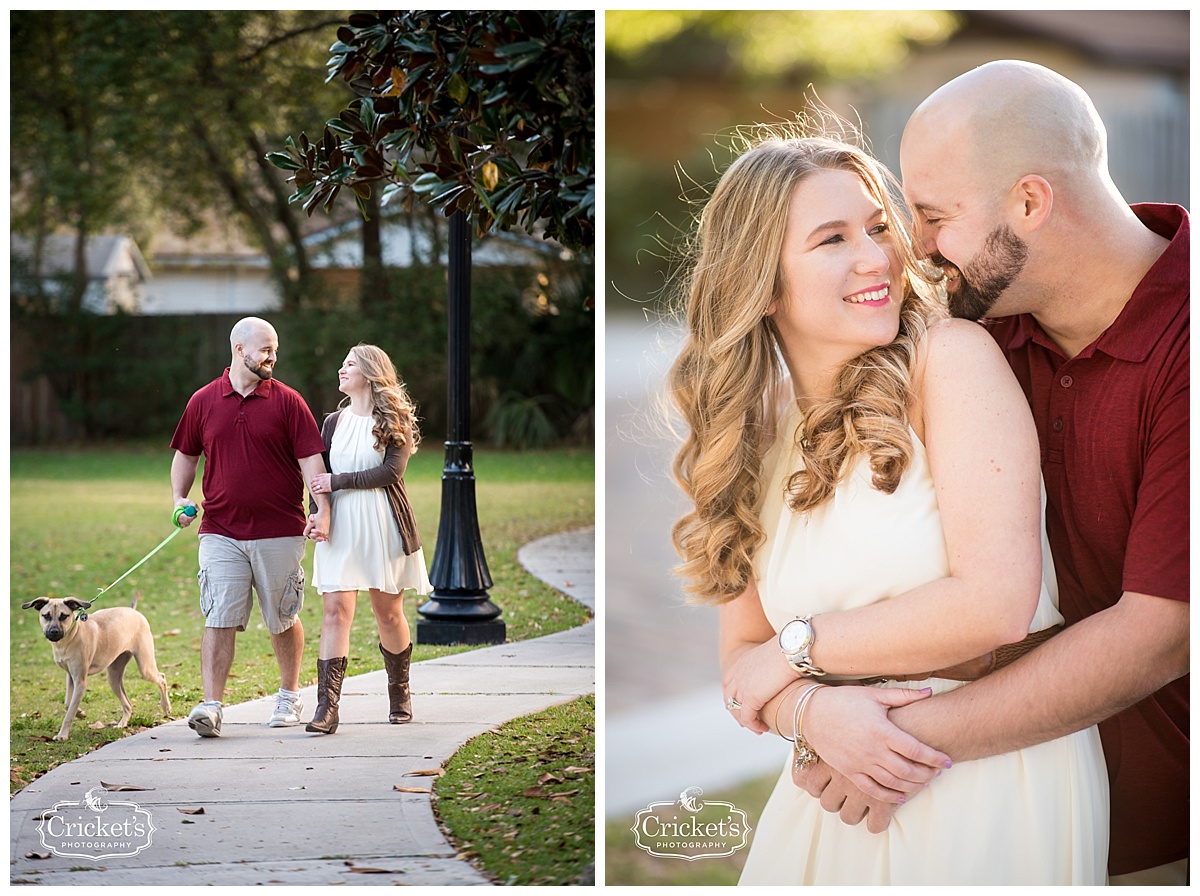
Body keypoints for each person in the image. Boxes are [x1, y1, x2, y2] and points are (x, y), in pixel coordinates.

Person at [668, 124, 1108, 884]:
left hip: (990, 778)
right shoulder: (751, 435)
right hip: (835, 783)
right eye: (832, 239)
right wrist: (810, 713)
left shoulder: (951, 362)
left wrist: (794, 652)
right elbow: (742, 664)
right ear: (762, 282)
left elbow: (997, 603)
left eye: (879, 226)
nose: (878, 257)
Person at [785, 61, 1189, 886]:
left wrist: (888, 751)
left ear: (1030, 202)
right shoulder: (979, 335)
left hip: (1168, 838)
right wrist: (811, 705)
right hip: (999, 818)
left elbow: (1163, 631)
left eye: (932, 217)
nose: (917, 251)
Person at [171, 317, 330, 738]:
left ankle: (289, 695)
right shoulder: (204, 400)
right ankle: (211, 706)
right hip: (220, 529)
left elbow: (312, 463)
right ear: (239, 349)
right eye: (265, 350)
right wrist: (180, 499)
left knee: (281, 616)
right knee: (219, 614)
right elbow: (186, 455)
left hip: (280, 529)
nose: (272, 357)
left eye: (275, 349)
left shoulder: (289, 402)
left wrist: (322, 508)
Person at [303, 344, 431, 734]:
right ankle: (327, 708)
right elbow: (317, 478)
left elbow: (391, 473)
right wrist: (317, 513)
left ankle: (400, 694)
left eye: (350, 364)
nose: (341, 369)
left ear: (371, 373)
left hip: (382, 525)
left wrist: (337, 481)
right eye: (342, 363)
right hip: (340, 526)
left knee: (387, 613)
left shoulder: (394, 418)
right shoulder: (331, 423)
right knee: (335, 612)